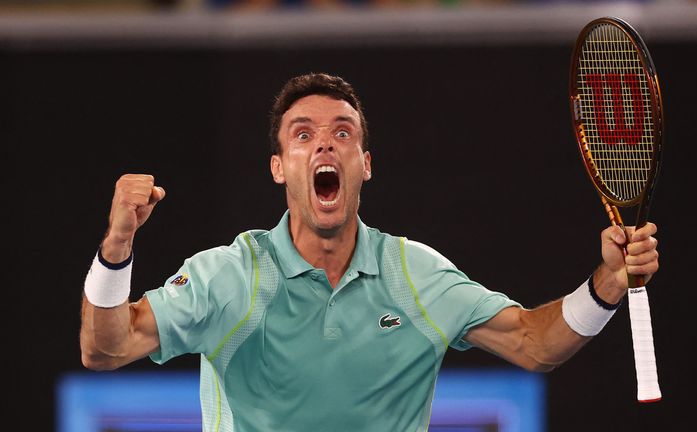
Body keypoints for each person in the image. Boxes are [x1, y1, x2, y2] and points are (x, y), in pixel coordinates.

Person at [80, 73, 660, 431]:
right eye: (303, 134)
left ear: (365, 164)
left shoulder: (417, 276)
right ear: (280, 168)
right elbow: (104, 349)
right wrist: (117, 248)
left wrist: (607, 283)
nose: (324, 142)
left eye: (343, 132)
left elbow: (536, 344)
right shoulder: (229, 276)